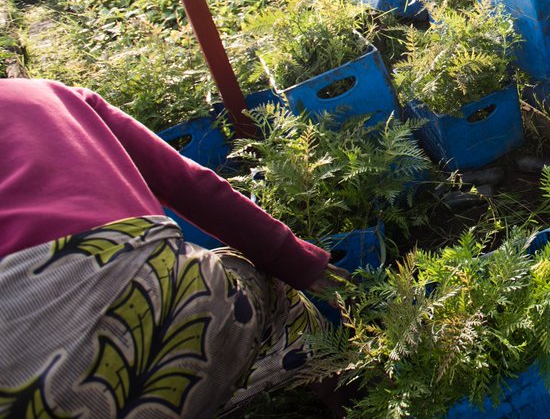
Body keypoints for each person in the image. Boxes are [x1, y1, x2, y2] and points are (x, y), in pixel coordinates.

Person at [0, 77, 348, 418]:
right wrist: (296, 262)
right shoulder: (44, 95)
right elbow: (187, 183)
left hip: (23, 388)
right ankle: (353, 394)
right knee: (271, 288)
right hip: (171, 299)